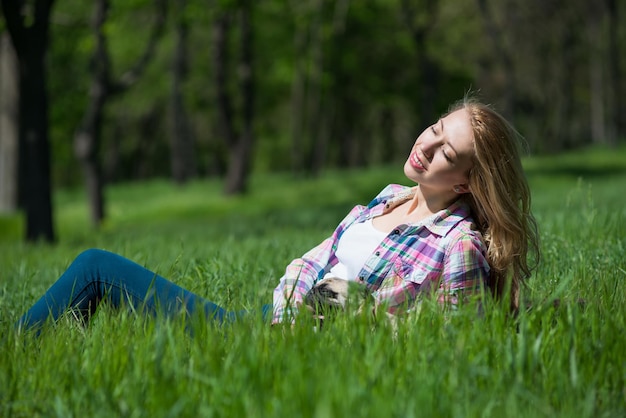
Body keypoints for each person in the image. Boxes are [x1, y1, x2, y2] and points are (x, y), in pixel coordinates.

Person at [16, 96, 539, 334]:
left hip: (288, 349)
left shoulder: (457, 245)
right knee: (95, 267)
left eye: (447, 151)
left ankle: (16, 351)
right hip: (270, 329)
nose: (426, 145)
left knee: (94, 268)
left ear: (469, 180)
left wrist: (348, 309)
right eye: (434, 128)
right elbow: (302, 267)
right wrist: (302, 306)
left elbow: (454, 341)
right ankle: (29, 349)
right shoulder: (384, 199)